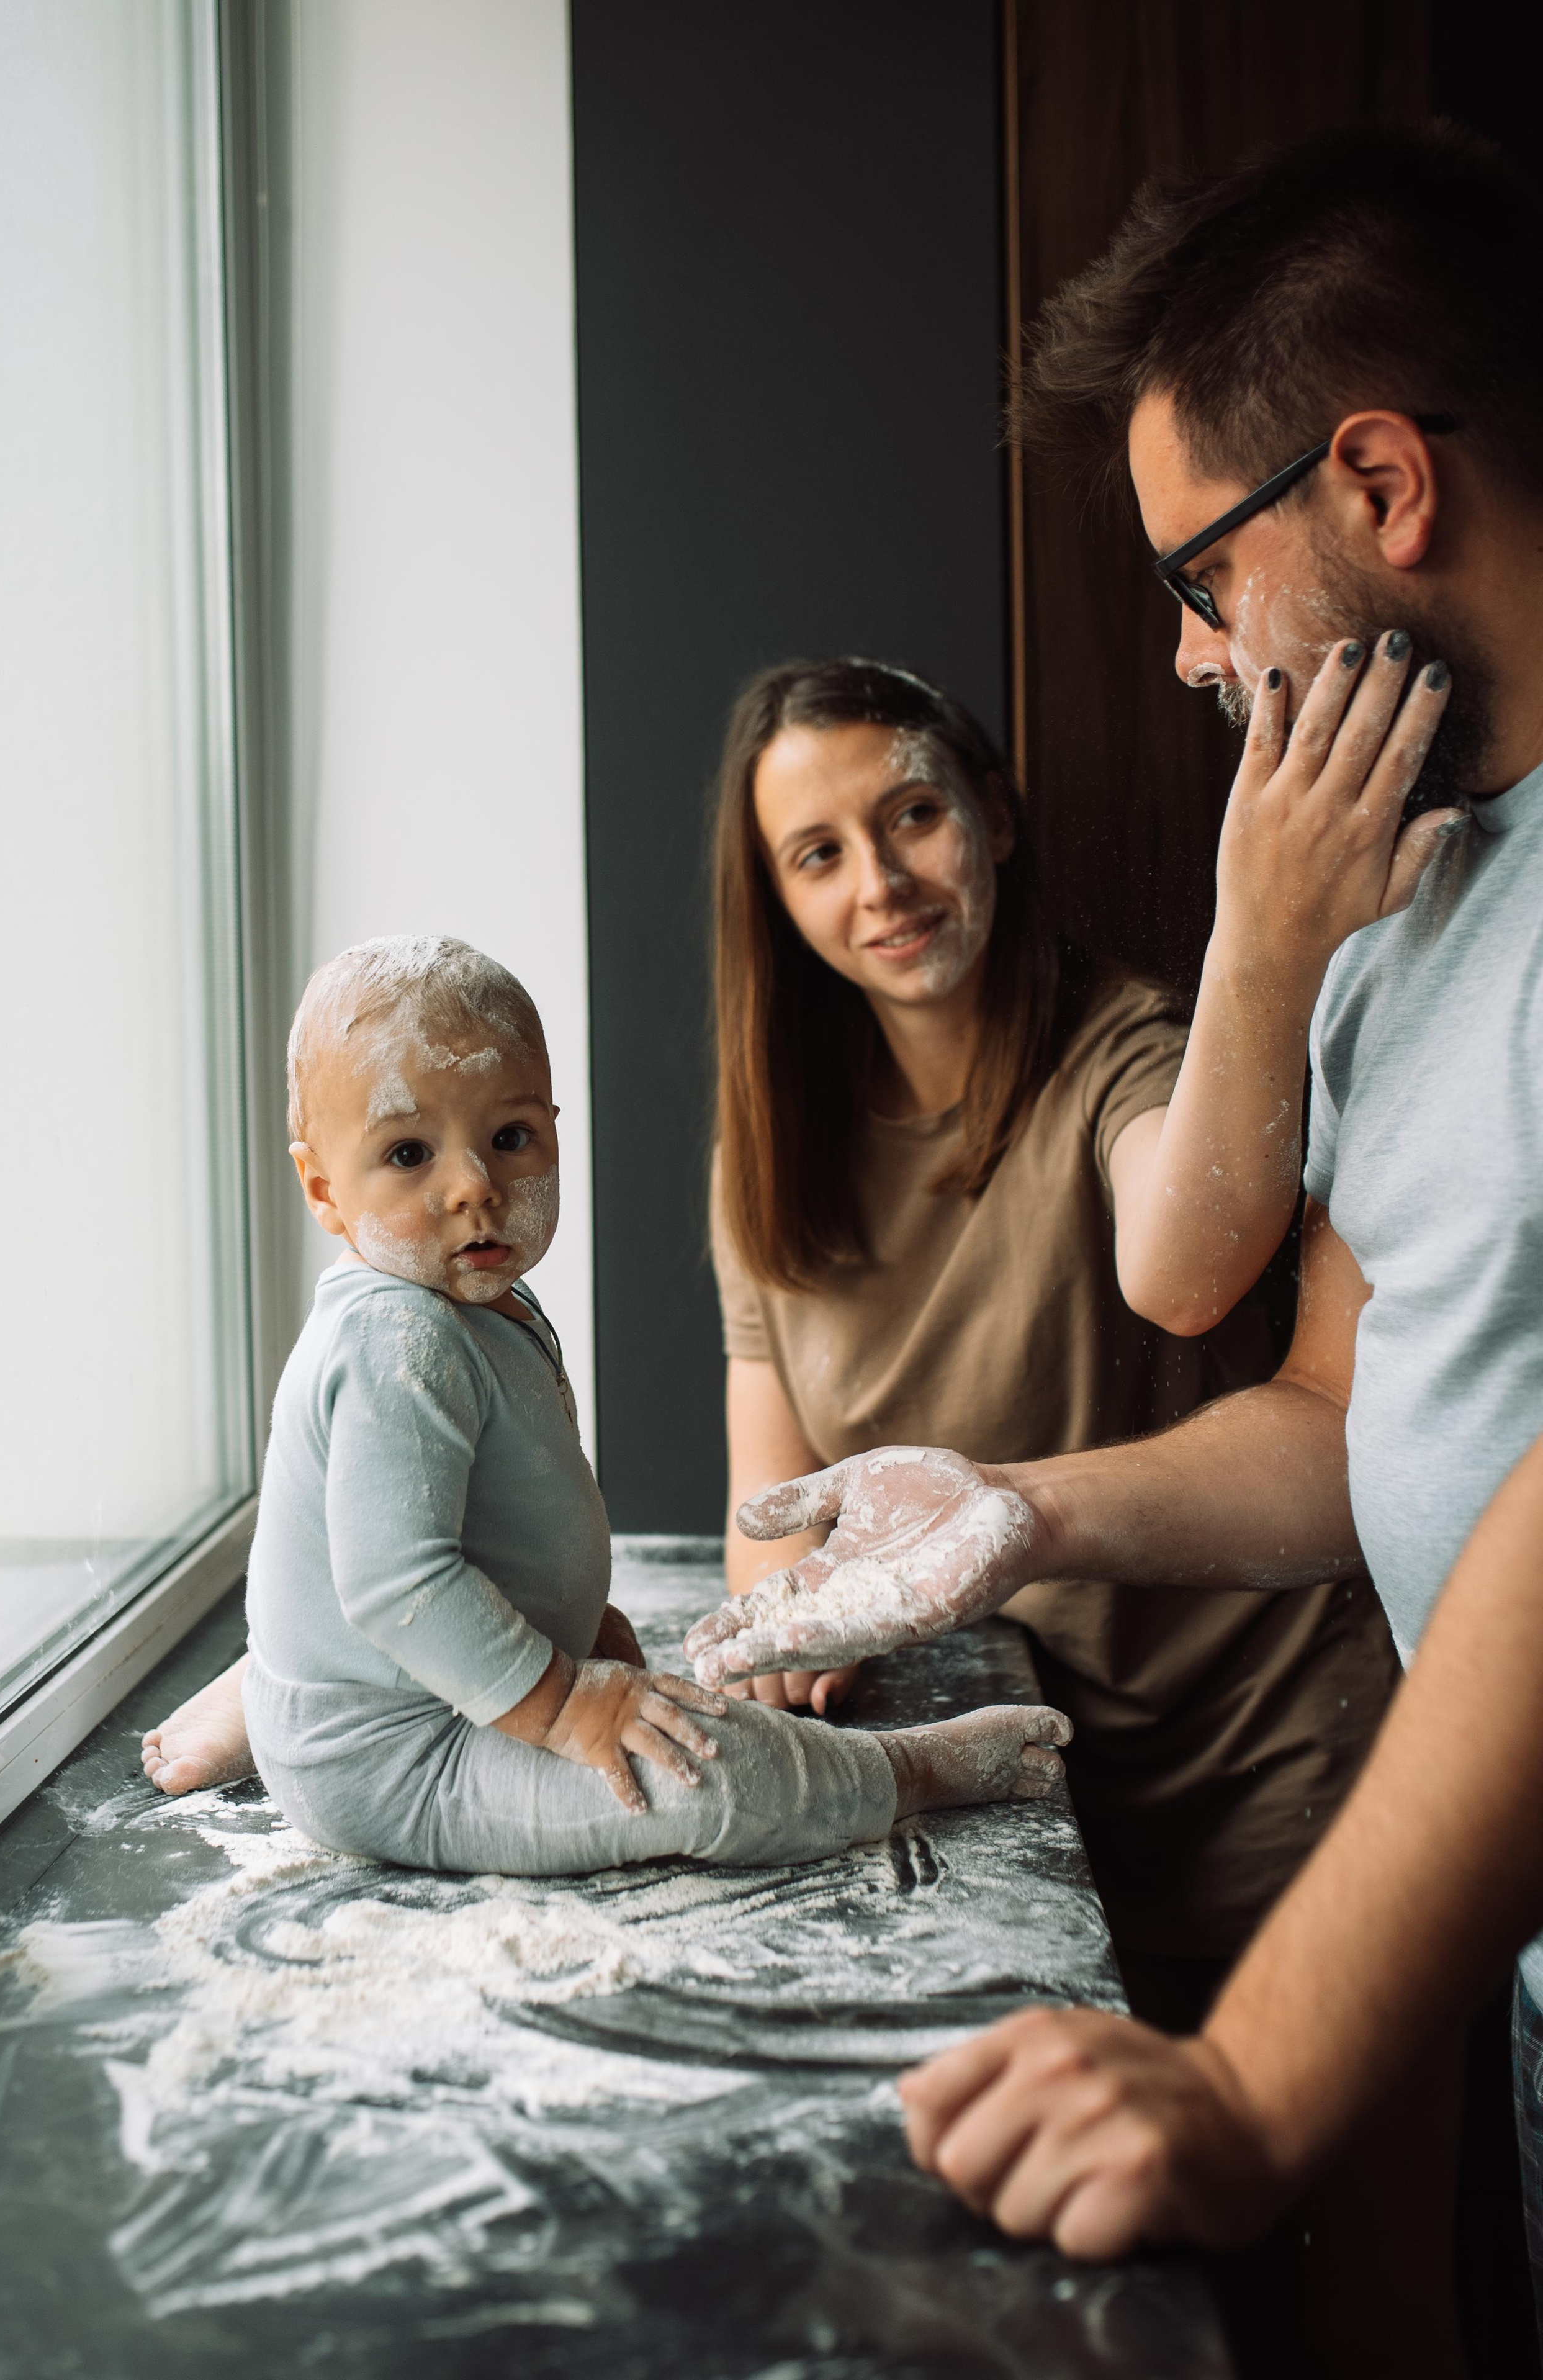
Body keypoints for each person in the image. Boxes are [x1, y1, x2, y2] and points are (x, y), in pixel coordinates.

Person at [686, 119, 1543, 2369]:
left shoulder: (1206, 993)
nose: (1185, 656)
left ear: (1382, 486)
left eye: (1199, 576)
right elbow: (1344, 1415)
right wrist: (1021, 1509)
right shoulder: (1405, 918)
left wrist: (1254, 2079)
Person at [707, 654, 1402, 2040]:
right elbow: (768, 1510)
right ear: (775, 901)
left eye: (911, 815)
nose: (880, 884)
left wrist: (1258, 933)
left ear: (995, 815)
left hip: (1264, 1761)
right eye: (818, 854)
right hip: (1022, 1775)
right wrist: (790, 1625)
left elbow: (1181, 1274)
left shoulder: (1123, 1045)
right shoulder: (771, 1155)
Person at [233, 932, 1069, 1876]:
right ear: (324, 1191)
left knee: (664, 1715)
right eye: (408, 1153)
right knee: (700, 1772)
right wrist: (564, 1701)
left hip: (448, 1693)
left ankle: (274, 1704)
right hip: (402, 1760)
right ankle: (908, 1768)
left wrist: (577, 1628)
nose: (474, 1186)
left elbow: (492, 1518)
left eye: (510, 1138)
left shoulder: (474, 1302)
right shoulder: (396, 1337)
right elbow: (399, 1588)